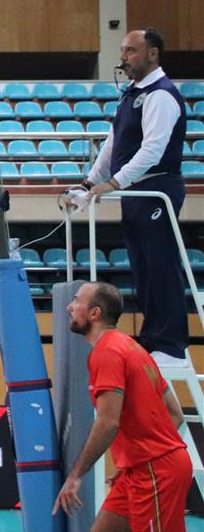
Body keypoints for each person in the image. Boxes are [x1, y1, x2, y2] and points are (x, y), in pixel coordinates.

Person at [79, 28, 189, 368]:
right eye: (123, 50)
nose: (123, 57)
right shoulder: (130, 94)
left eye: (131, 51)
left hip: (156, 188)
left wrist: (113, 183)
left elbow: (152, 150)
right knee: (143, 269)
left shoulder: (161, 95)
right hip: (135, 192)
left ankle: (171, 345)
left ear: (153, 53)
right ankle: (152, 336)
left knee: (160, 265)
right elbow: (113, 144)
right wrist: (88, 183)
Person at [54, 281, 191, 532]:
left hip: (156, 473)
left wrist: (75, 475)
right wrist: (134, 457)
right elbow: (175, 414)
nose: (69, 307)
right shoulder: (131, 346)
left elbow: (108, 422)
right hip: (137, 470)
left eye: (76, 301)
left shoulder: (107, 352)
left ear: (94, 313)